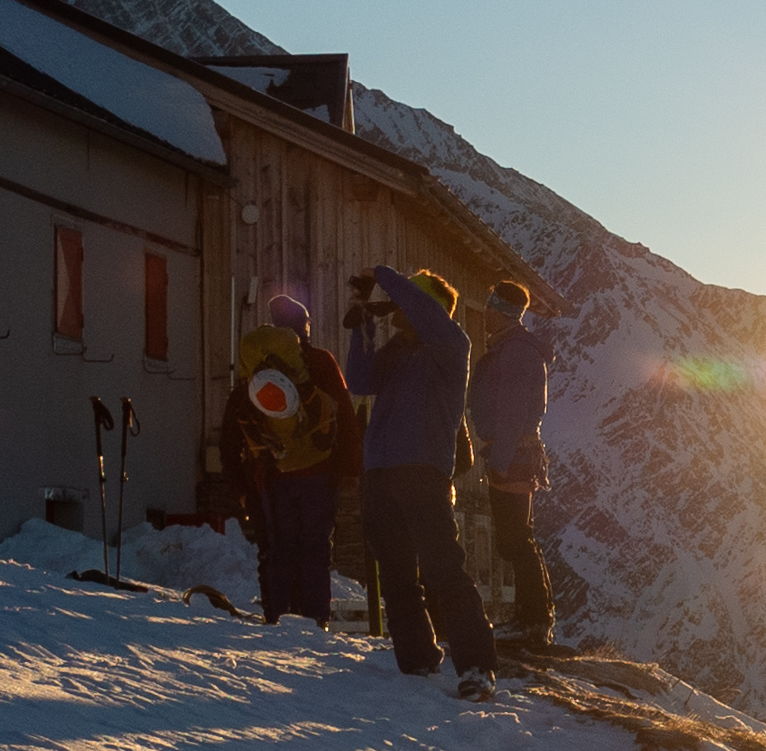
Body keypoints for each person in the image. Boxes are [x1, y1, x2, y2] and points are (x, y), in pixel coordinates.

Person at [345, 263, 499, 693]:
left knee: (444, 570)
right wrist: (363, 324)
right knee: (397, 575)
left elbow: (421, 308)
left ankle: (477, 666)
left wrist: (381, 275)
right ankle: (416, 660)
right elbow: (359, 379)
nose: (398, 309)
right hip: (380, 471)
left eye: (405, 302)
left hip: (423, 471)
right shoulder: (398, 352)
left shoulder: (450, 344)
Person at [228, 287, 347, 623]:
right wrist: (350, 467)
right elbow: (344, 416)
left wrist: (241, 484)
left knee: (280, 548)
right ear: (303, 326)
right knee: (315, 548)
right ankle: (316, 621)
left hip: (273, 472)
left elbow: (236, 423)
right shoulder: (320, 362)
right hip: (318, 471)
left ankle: (277, 618)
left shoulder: (255, 367)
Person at [466, 277, 569, 651]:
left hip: (512, 455)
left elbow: (511, 411)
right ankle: (534, 618)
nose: (485, 313)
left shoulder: (514, 353)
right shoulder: (516, 349)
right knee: (516, 536)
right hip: (516, 453)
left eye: (490, 306)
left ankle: (534, 620)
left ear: (499, 311)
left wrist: (500, 458)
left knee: (515, 538)